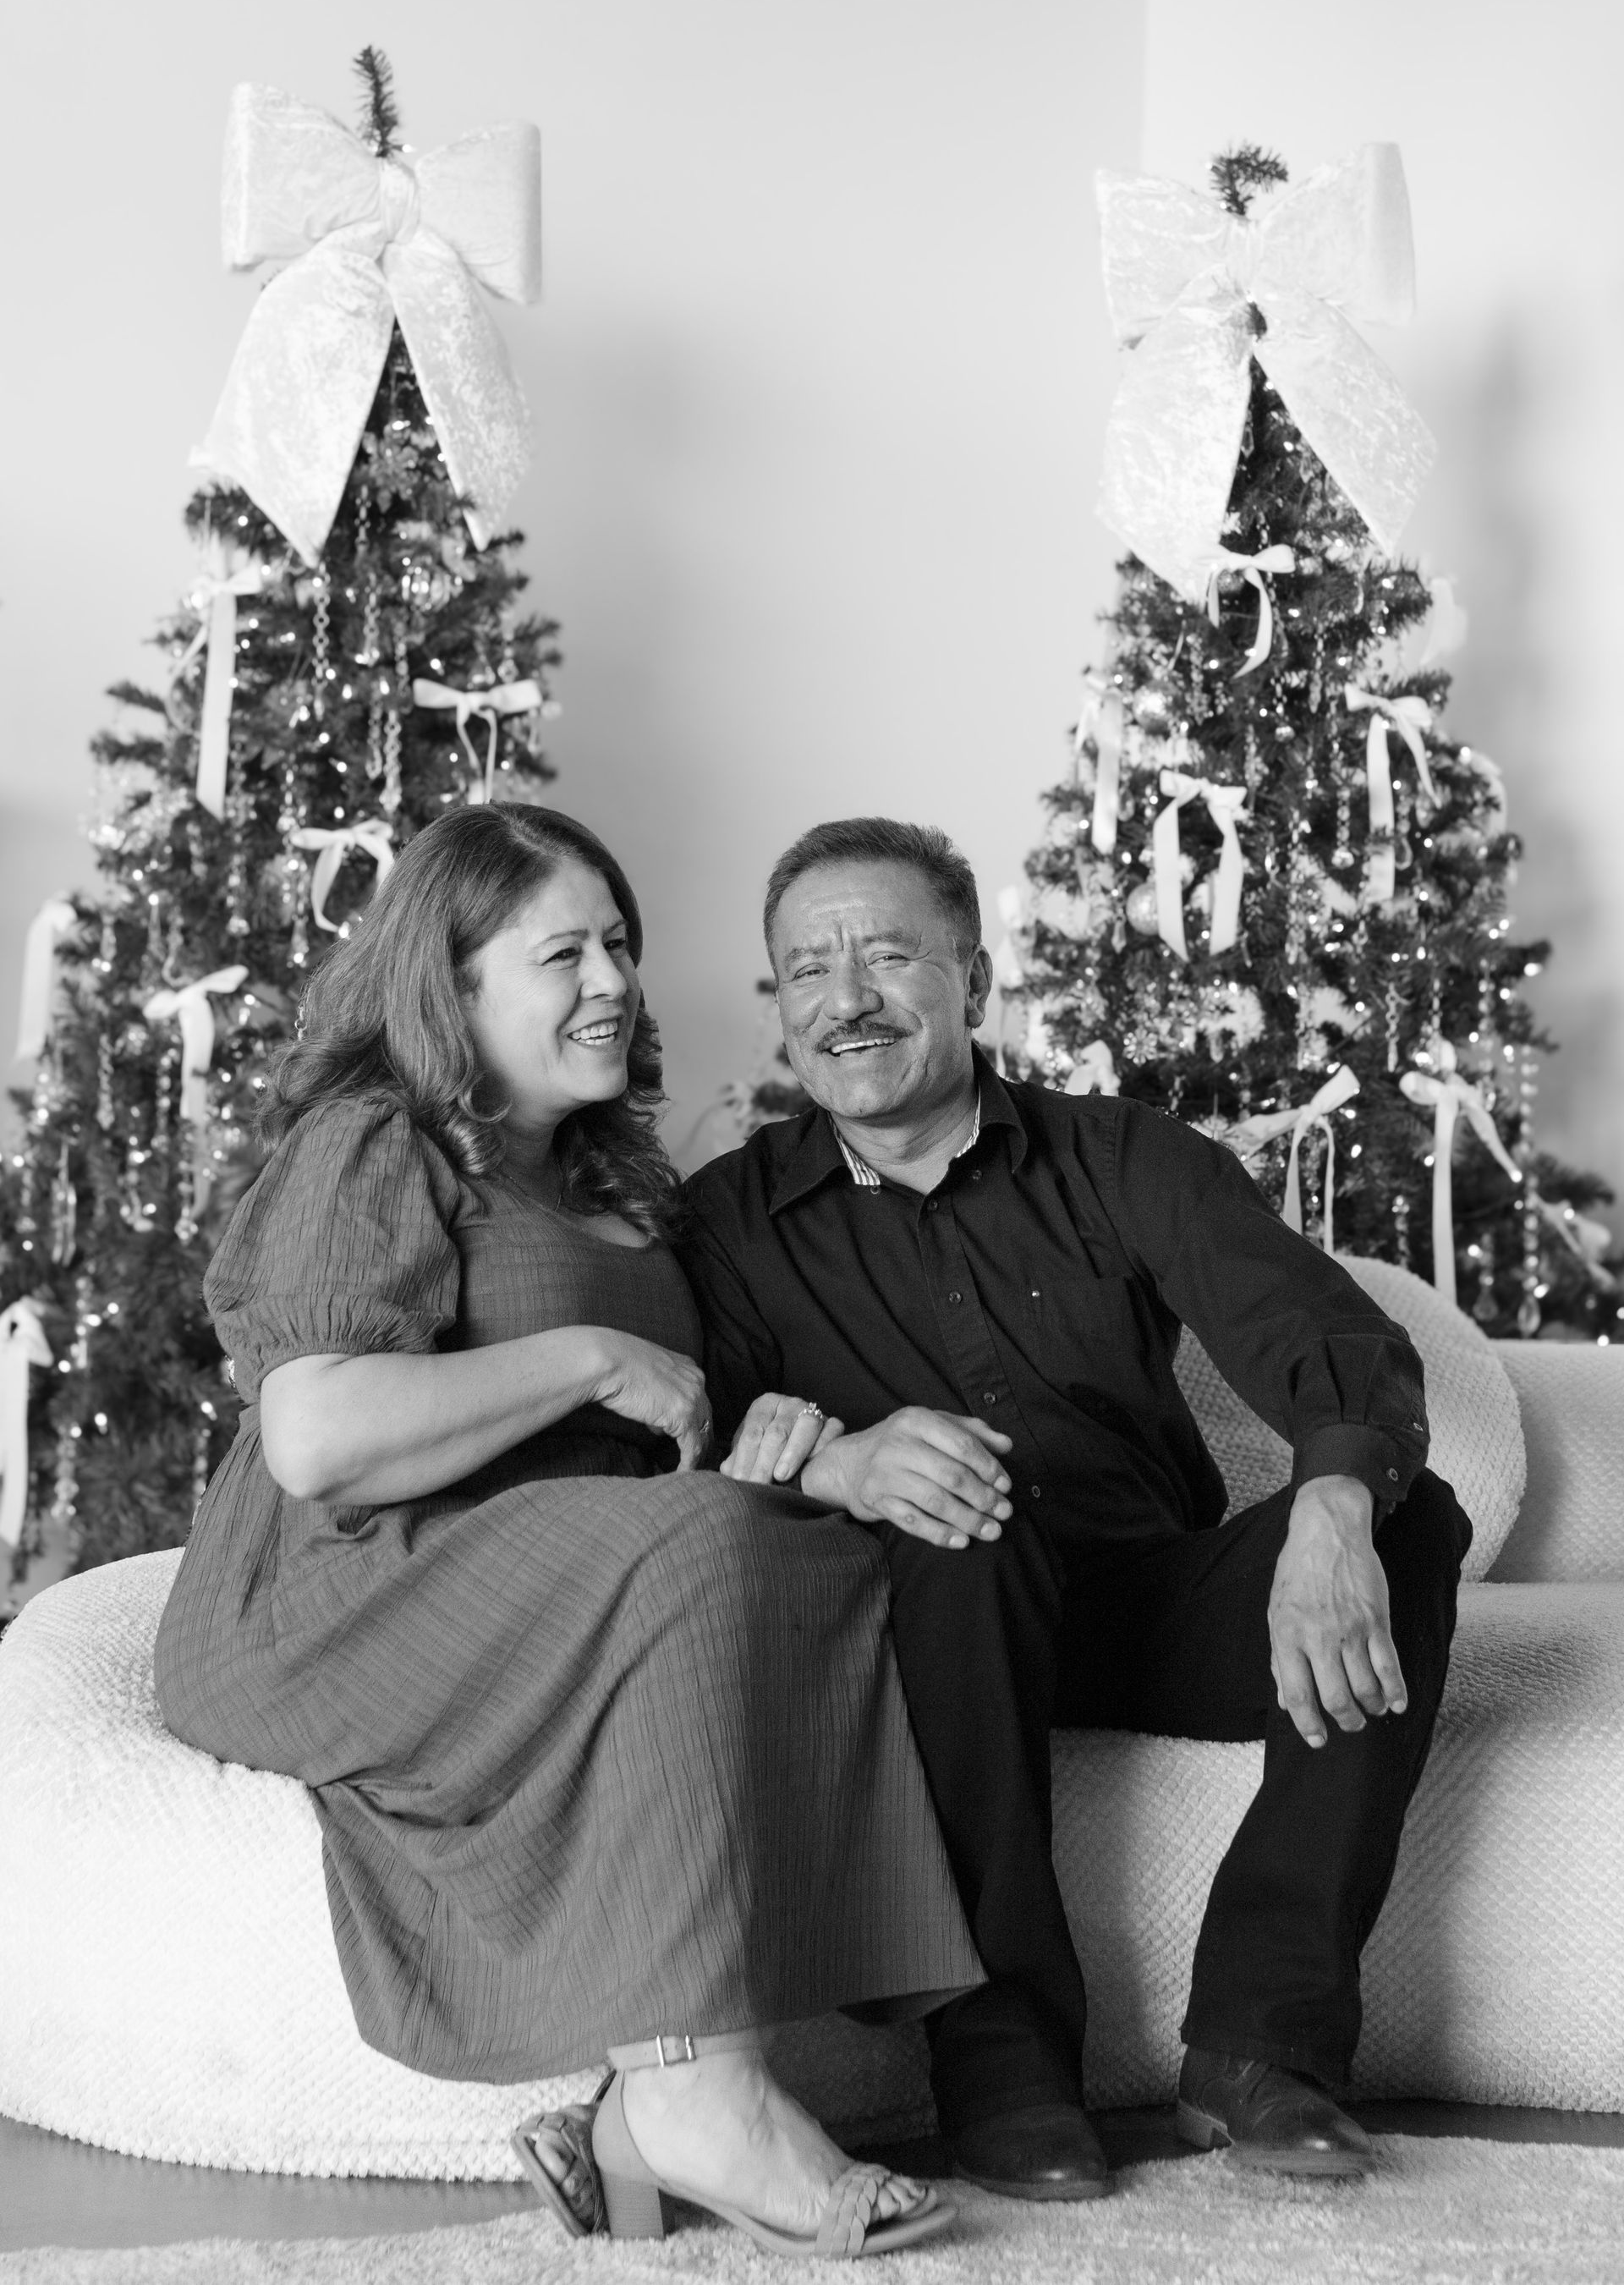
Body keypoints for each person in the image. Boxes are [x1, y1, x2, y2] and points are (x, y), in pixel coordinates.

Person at [155, 803, 984, 2260]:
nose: (613, 982)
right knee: (701, 1543)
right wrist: (589, 1361)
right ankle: (702, 2095)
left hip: (558, 1563)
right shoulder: (378, 1141)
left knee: (805, 1546)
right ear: (452, 986)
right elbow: (318, 1436)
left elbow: (681, 1431)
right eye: (564, 956)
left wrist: (811, 1457)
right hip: (345, 1586)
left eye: (619, 945)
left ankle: (637, 2127)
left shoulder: (620, 1180)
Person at [678, 816, 1473, 2201]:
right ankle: (1004, 2074)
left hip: (1147, 1605)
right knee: (956, 1531)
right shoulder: (726, 1225)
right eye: (808, 969)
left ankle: (1261, 2049)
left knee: (1410, 1518)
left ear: (976, 983)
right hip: (936, 1641)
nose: (847, 998)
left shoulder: (1123, 1157)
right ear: (784, 1009)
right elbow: (698, 1450)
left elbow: (1324, 1335)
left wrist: (1333, 1509)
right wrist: (836, 1464)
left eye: (889, 957)